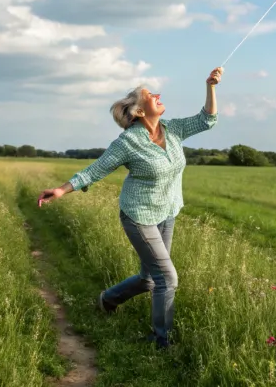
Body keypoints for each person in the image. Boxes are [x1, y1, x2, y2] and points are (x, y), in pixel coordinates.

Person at [37, 67, 223, 349]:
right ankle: (161, 341)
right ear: (138, 111)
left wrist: (210, 86)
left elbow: (207, 120)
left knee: (150, 279)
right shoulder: (127, 142)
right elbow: (96, 169)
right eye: (150, 95)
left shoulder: (172, 130)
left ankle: (108, 300)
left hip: (167, 211)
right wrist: (62, 189)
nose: (158, 95)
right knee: (167, 278)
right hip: (139, 215)